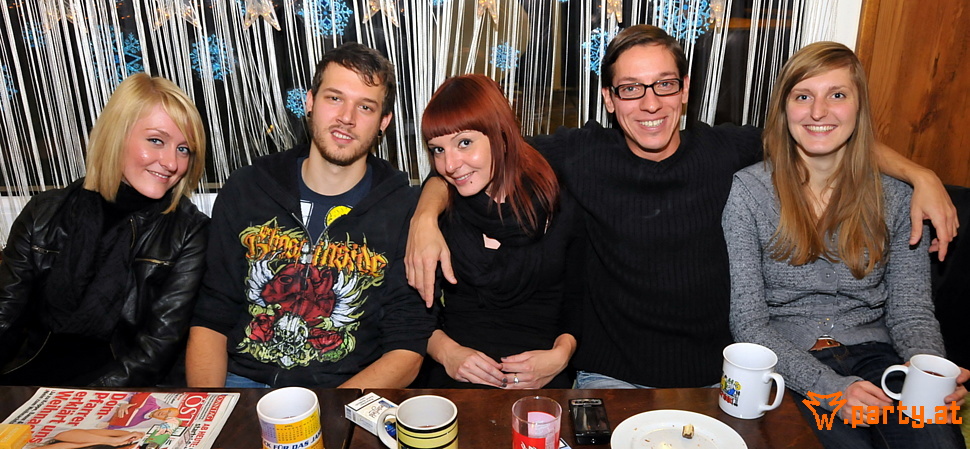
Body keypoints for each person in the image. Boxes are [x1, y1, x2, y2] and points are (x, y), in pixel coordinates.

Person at [406, 25, 959, 389]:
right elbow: (477, 154)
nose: (650, 104)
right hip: (610, 374)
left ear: (686, 90)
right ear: (609, 100)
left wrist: (920, 174)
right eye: (631, 89)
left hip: (720, 374)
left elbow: (821, 131)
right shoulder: (579, 153)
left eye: (664, 85)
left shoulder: (729, 150)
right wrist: (426, 217)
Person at [723, 41, 967, 449]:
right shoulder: (750, 193)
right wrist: (828, 388)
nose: (818, 112)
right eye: (803, 97)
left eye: (837, 95)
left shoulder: (898, 198)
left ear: (859, 107)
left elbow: (911, 311)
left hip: (878, 356)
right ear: (784, 109)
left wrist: (928, 371)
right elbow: (749, 324)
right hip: (790, 364)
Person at [185, 43, 435, 388]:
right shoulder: (248, 188)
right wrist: (213, 407)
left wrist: (330, 413)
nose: (347, 117)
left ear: (384, 122)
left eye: (365, 106)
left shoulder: (403, 209)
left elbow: (407, 347)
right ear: (310, 102)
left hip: (344, 392)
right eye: (334, 98)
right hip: (242, 382)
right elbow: (211, 316)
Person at [0, 73, 209, 387]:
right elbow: (6, 316)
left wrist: (84, 400)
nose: (171, 163)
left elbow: (155, 350)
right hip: (29, 381)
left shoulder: (188, 232)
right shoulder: (44, 213)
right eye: (156, 141)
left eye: (184, 149)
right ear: (116, 135)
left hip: (119, 391)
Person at [418, 74, 579, 389]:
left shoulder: (558, 200)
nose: (450, 164)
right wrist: (447, 353)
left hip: (542, 377)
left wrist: (561, 355)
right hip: (454, 375)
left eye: (465, 143)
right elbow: (410, 310)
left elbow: (580, 298)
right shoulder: (438, 212)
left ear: (501, 136)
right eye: (437, 149)